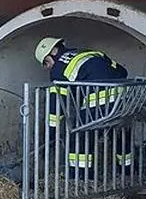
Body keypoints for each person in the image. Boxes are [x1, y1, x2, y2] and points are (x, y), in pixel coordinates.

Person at [34, 36, 134, 172]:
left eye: (46, 63)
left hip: (100, 104)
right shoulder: (88, 53)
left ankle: (80, 178)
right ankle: (127, 170)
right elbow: (123, 71)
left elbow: (56, 107)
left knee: (79, 137)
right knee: (120, 133)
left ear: (53, 52)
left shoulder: (58, 70)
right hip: (125, 102)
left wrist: (51, 133)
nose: (47, 67)